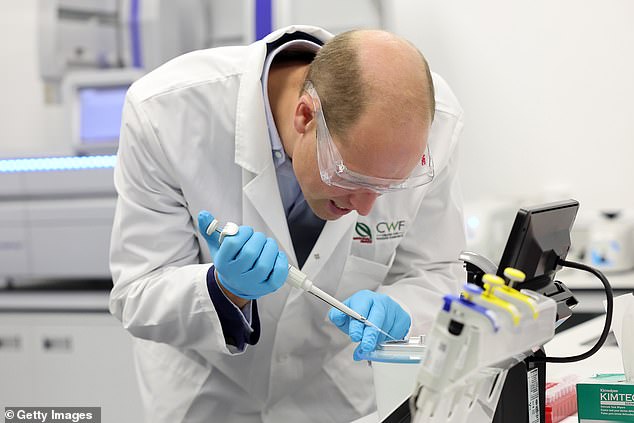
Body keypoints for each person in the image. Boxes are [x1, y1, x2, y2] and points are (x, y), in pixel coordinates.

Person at [109, 25, 465, 423]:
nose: (366, 208)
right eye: (352, 178)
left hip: (339, 395)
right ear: (305, 116)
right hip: (208, 393)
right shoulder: (165, 113)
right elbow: (136, 292)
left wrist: (400, 310)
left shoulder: (432, 122)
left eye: (388, 187)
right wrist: (222, 290)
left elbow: (435, 269)